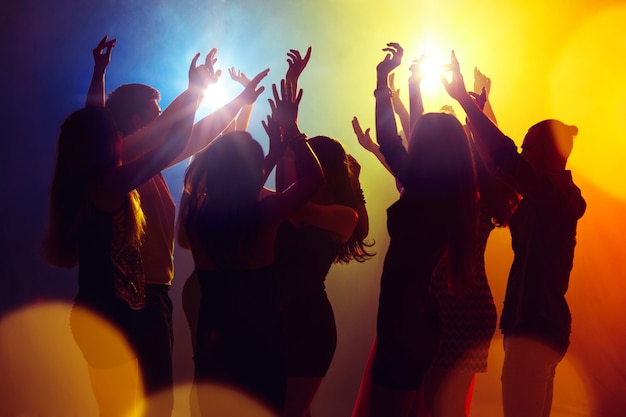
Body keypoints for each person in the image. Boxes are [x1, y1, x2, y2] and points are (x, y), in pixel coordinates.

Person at [86, 35, 269, 417]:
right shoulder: (117, 155)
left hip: (153, 296)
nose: (162, 117)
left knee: (156, 405)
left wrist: (238, 102)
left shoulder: (144, 166)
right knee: (122, 406)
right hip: (121, 300)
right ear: (136, 122)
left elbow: (190, 137)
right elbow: (172, 130)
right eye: (155, 112)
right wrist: (194, 92)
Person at [43, 52, 211, 417]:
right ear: (104, 144)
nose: (120, 137)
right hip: (127, 313)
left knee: (114, 411)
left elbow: (88, 123)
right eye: (113, 134)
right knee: (154, 409)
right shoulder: (112, 183)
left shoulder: (78, 184)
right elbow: (174, 142)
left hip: (93, 312)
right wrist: (195, 92)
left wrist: (98, 76)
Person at [442, 50, 586, 417]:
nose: (523, 151)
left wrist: (464, 102)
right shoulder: (542, 195)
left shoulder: (560, 195)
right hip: (534, 325)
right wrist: (478, 112)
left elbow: (505, 160)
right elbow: (502, 168)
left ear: (550, 150)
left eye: (529, 146)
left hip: (536, 327)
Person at [177, 78, 324, 415]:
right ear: (255, 171)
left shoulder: (196, 218)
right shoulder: (265, 214)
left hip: (215, 342)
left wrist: (269, 156)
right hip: (261, 340)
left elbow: (234, 196)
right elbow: (314, 179)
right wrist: (292, 129)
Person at [368, 43, 479, 417]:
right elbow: (403, 138)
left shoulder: (424, 187)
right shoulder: (453, 193)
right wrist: (411, 86)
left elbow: (389, 139)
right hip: (417, 317)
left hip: (404, 319)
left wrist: (384, 80)